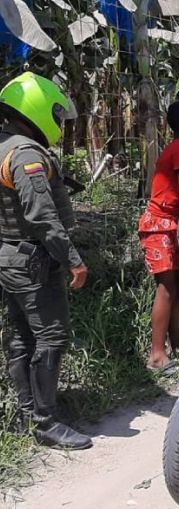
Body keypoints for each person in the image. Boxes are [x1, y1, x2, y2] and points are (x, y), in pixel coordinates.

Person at [0, 72, 91, 449]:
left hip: (9, 255)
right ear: (36, 109)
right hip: (32, 260)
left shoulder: (4, 144)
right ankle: (46, 423)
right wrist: (72, 260)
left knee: (21, 336)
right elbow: (40, 215)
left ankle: (25, 416)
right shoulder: (26, 155)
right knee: (51, 338)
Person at [139, 100, 179, 372]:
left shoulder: (177, 148)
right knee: (166, 290)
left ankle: (178, 344)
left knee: (174, 288)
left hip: (167, 223)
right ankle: (156, 355)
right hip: (160, 225)